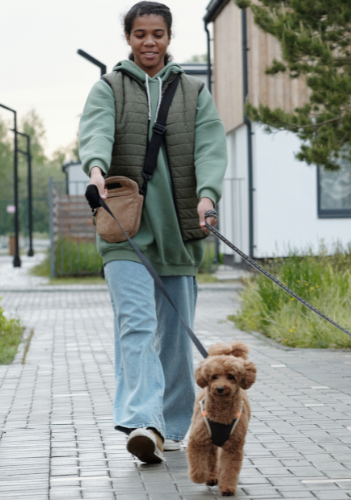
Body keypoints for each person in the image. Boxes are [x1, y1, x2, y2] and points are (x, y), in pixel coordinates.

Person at [79, 1, 227, 464]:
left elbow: (210, 146)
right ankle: (144, 422)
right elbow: (96, 133)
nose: (149, 42)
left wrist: (207, 197)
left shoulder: (194, 92)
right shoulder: (109, 88)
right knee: (137, 325)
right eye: (140, 33)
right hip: (124, 231)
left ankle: (174, 425)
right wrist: (96, 171)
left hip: (178, 230)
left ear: (168, 38)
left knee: (175, 337)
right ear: (128, 38)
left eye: (157, 34)